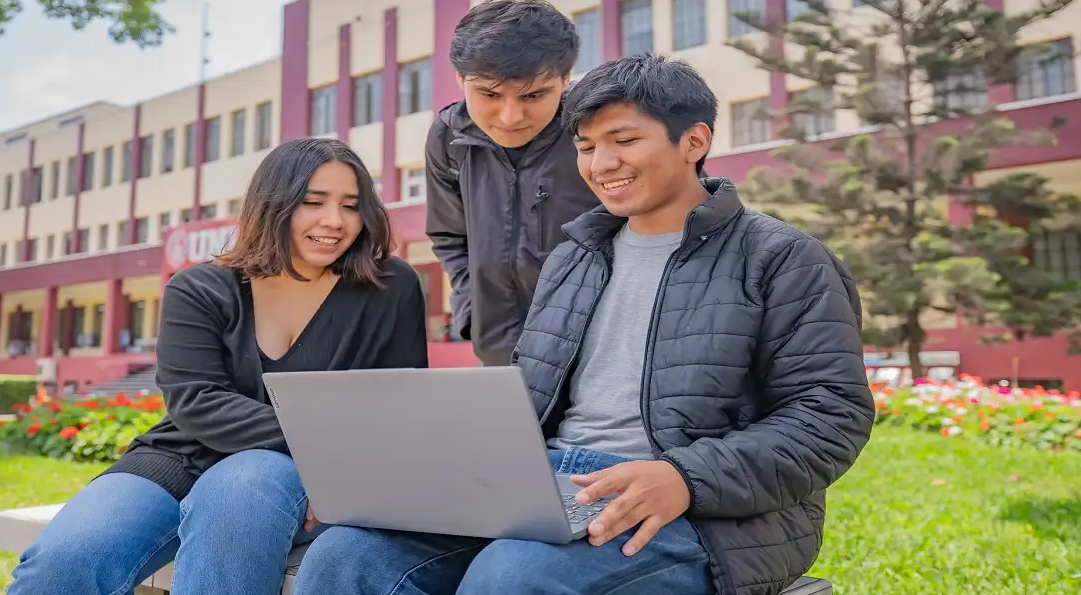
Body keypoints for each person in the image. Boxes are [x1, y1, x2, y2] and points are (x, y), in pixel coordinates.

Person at [290, 55, 875, 595]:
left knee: (513, 576)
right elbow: (530, 397)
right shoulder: (576, 255)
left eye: (624, 141)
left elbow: (830, 417)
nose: (601, 164)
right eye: (587, 145)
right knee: (345, 555)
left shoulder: (782, 258)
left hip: (694, 510)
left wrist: (683, 478)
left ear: (694, 141)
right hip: (542, 488)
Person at [7, 138, 429, 595]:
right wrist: (324, 446)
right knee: (64, 562)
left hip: (281, 475)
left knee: (239, 491)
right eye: (313, 202)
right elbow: (197, 402)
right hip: (179, 459)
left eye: (351, 205)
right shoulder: (199, 288)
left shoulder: (389, 286)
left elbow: (397, 403)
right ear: (274, 204)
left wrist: (337, 475)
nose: (335, 221)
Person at [425, 0, 601, 366]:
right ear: (460, 79)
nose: (509, 117)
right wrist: (472, 310)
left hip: (596, 349)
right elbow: (450, 236)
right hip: (499, 352)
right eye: (488, 94)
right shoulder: (447, 137)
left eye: (534, 95)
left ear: (566, 79)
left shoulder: (596, 132)